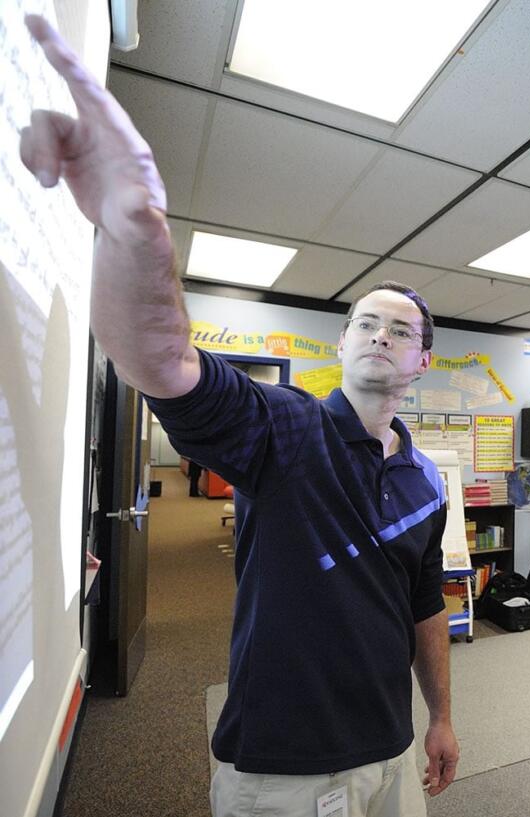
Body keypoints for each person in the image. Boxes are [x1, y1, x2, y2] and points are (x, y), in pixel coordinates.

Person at [19, 16, 458, 815]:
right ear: (342, 343)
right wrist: (133, 231)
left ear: (421, 362)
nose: (382, 334)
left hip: (392, 750)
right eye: (366, 320)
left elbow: (424, 604)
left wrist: (443, 716)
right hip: (285, 770)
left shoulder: (427, 480)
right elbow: (164, 363)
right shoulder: (284, 428)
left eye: (403, 330)